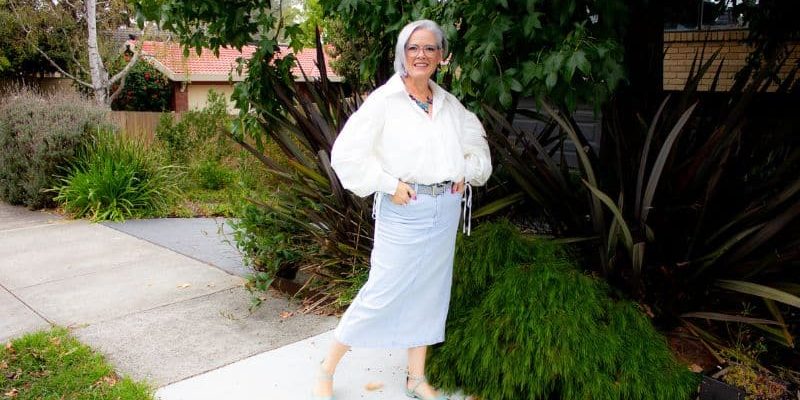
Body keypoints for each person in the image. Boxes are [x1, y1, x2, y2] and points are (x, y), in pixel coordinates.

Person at [312, 19, 492, 400]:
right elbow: (345, 155)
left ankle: (415, 378)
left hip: (445, 210)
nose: (421, 55)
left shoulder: (448, 104)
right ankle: (326, 369)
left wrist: (465, 171)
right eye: (413, 48)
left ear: (441, 56)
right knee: (381, 291)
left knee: (430, 293)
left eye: (429, 48)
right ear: (402, 55)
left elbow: (479, 150)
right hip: (404, 211)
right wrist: (388, 184)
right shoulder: (385, 101)